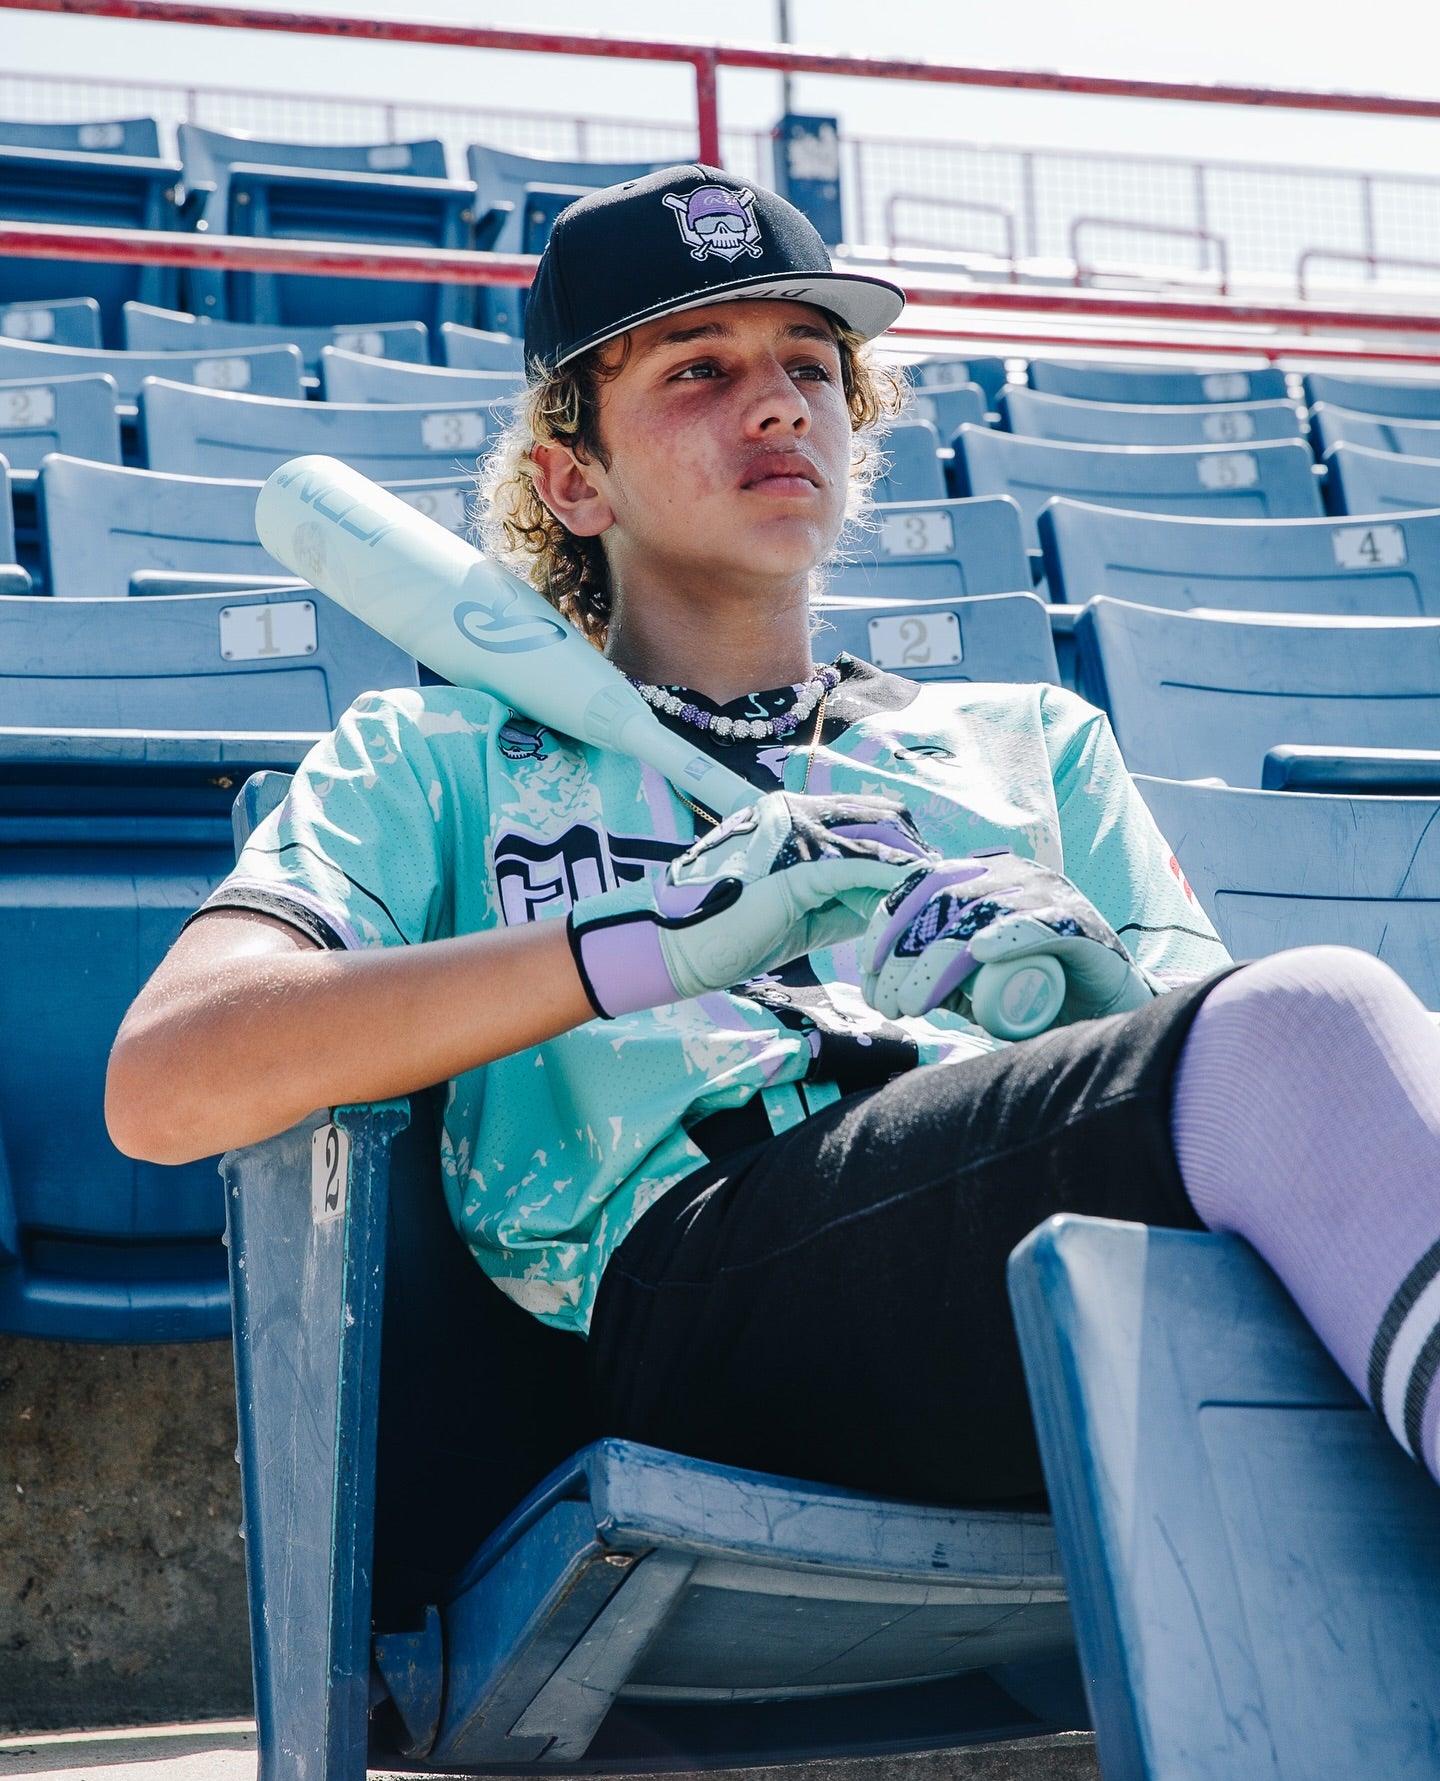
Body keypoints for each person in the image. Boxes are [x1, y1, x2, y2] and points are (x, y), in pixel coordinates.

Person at [106, 166, 1440, 1503]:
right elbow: (167, 1080)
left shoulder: (1032, 743)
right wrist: (647, 943)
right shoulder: (436, 758)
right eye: (697, 368)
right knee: (1315, 1014)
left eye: (810, 363)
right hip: (688, 1314)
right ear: (575, 482)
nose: (777, 400)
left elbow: (1240, 1102)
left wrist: (1109, 1012)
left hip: (1026, 1250)